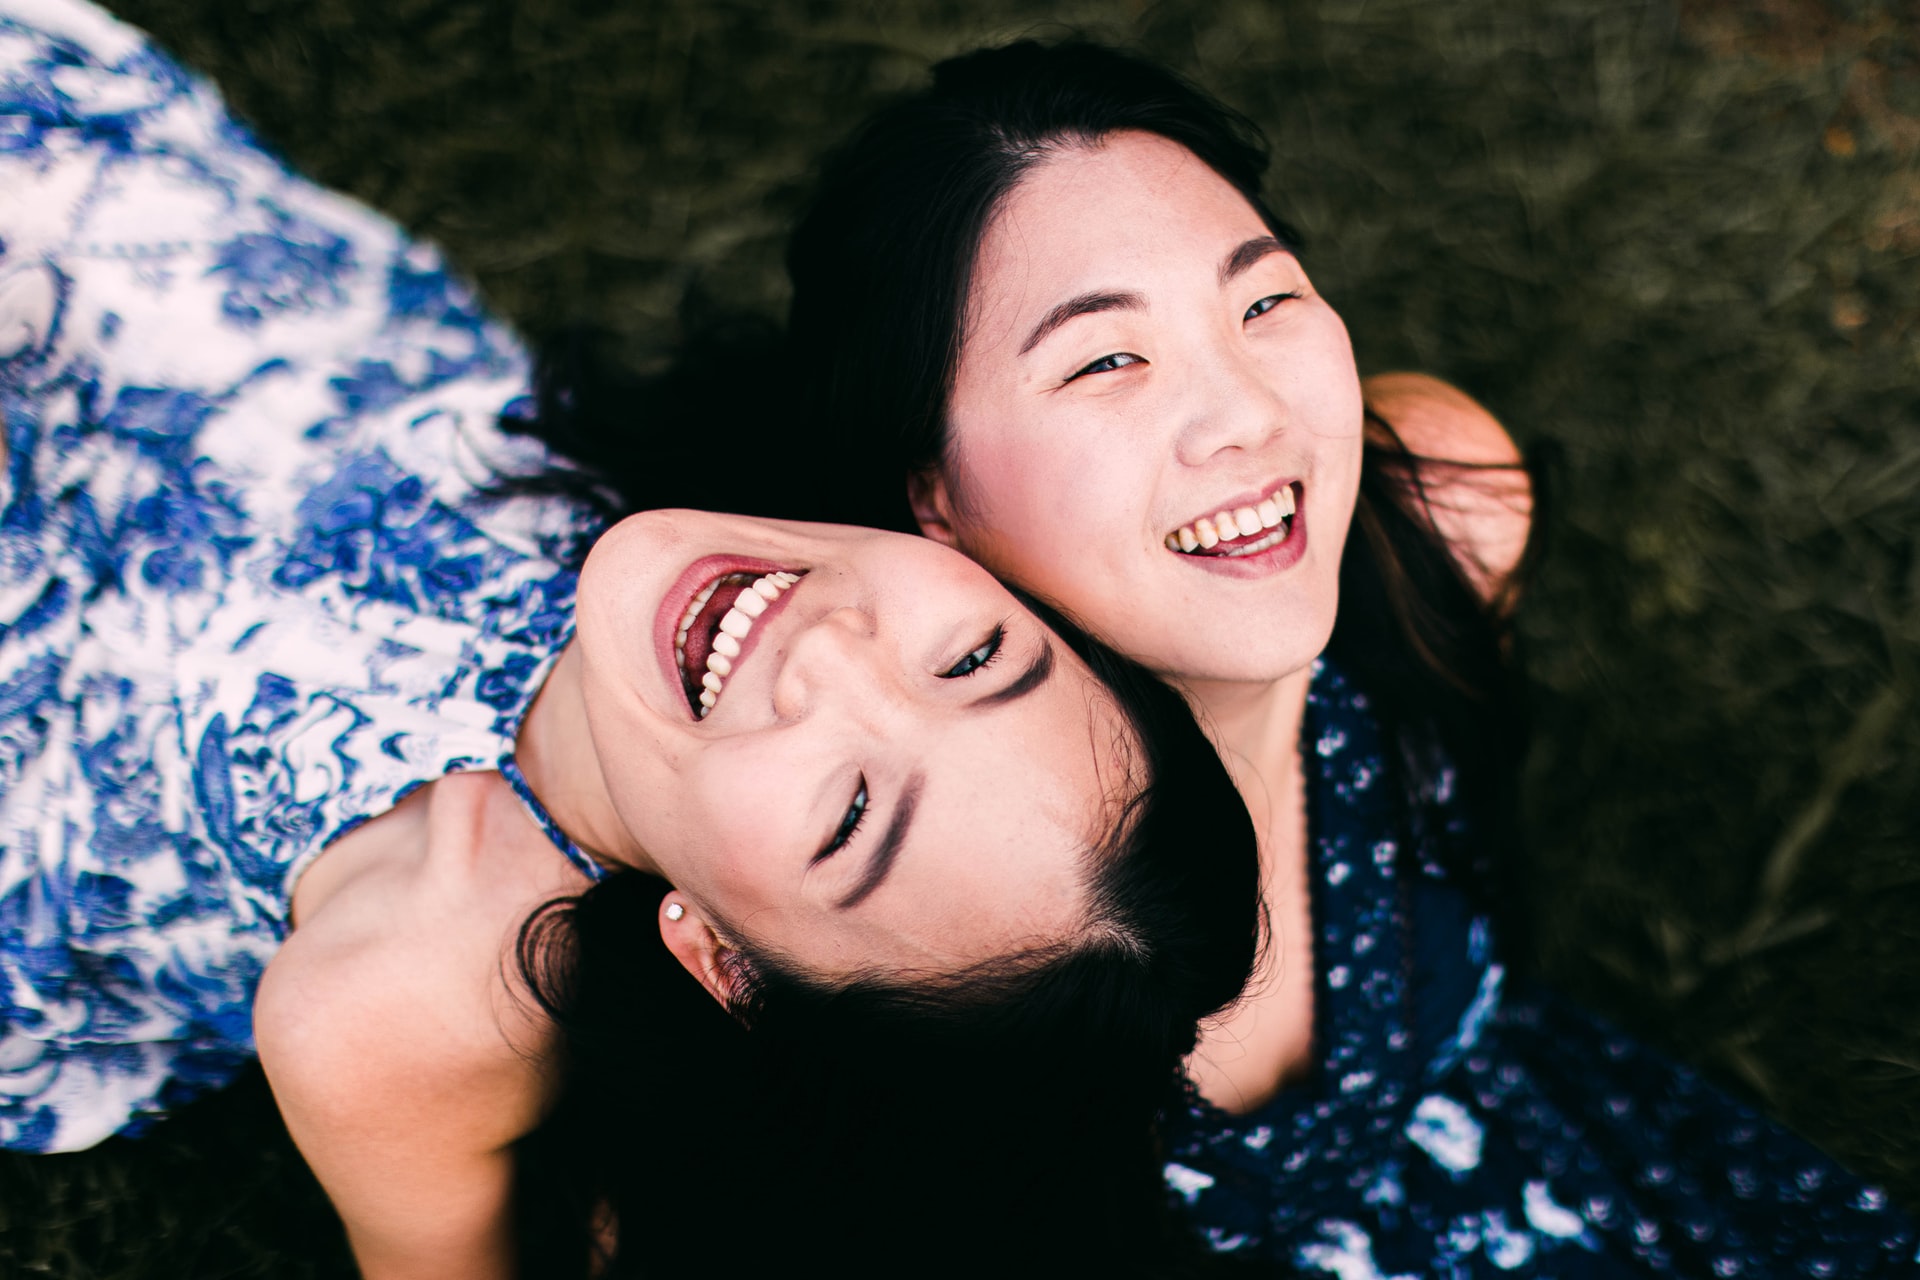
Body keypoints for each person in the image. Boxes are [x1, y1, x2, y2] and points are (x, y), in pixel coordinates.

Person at [0, 7, 1266, 1277]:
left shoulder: (393, 1001)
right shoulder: (778, 481)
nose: (832, 652)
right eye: (976, 660)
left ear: (720, 957)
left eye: (849, 813)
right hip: (270, 392)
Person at [724, 36, 1917, 1276]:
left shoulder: (1444, 527)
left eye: (1264, 299)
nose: (1250, 411)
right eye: (1106, 359)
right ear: (933, 494)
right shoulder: (892, 914)